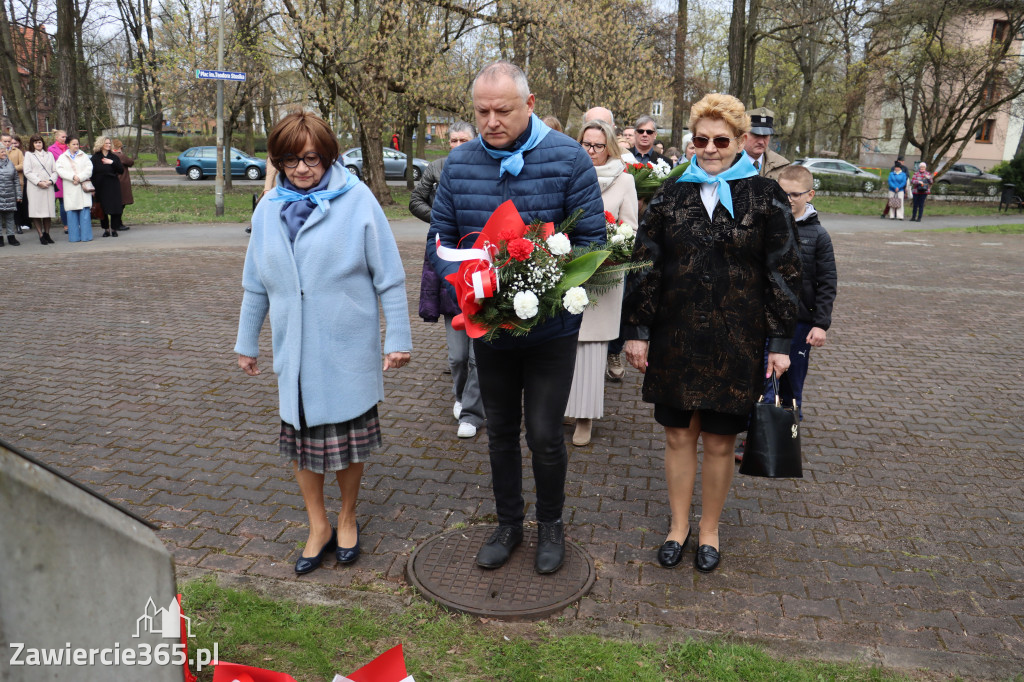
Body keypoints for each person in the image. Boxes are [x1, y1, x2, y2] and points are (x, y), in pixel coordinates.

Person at [427, 61, 605, 574]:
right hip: (490, 327)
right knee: (500, 429)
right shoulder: (458, 165)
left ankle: (552, 525)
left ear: (529, 105)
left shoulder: (569, 158)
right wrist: (473, 287)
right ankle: (509, 523)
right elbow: (441, 241)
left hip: (549, 329)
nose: (491, 121)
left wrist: (539, 292)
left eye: (502, 110)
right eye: (481, 111)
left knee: (545, 433)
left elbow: (591, 243)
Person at [622, 93, 801, 573]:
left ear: (742, 141)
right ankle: (678, 527)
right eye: (701, 139)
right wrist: (637, 330)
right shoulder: (671, 193)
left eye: (721, 140)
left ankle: (709, 530)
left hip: (736, 340)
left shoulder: (765, 196)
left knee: (720, 441)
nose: (710, 149)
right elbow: (646, 265)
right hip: (675, 337)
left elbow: (783, 270)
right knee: (678, 436)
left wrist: (781, 342)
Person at [235, 111, 412, 575]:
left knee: (347, 446)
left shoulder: (357, 200)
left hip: (346, 347)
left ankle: (347, 515)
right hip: (294, 353)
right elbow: (256, 283)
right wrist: (246, 341)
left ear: (328, 154)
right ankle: (318, 525)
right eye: (289, 160)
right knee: (302, 447)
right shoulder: (268, 207)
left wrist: (397, 336)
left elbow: (389, 277)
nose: (301, 169)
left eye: (310, 158)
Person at [411, 121, 485, 439]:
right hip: (446, 260)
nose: (457, 144)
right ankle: (460, 395)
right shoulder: (436, 167)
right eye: (452, 140)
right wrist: (442, 220)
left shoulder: (486, 169)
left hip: (480, 264)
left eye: (463, 139)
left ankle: (471, 411)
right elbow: (416, 201)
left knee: (476, 353)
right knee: (457, 355)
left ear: (475, 141)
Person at [567, 119, 638, 446]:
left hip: (604, 277)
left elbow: (631, 229)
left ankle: (585, 418)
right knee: (565, 345)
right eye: (586, 144)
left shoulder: (624, 181)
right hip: (568, 272)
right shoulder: (569, 173)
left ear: (609, 146)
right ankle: (564, 408)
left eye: (597, 145)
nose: (591, 151)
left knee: (593, 348)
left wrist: (611, 245)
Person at [767, 164, 837, 419]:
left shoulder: (819, 236)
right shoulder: (769, 226)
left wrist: (820, 324)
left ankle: (788, 435)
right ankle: (758, 437)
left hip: (800, 323)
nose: (789, 199)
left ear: (810, 195)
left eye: (795, 194)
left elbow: (827, 283)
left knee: (791, 382)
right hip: (768, 318)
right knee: (766, 380)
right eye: (783, 193)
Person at [55, 137, 94, 243]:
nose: (76, 146)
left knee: (84, 212)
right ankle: (74, 237)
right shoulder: (62, 157)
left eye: (77, 144)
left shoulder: (84, 156)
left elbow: (89, 169)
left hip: (82, 188)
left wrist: (79, 177)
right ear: (68, 145)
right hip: (70, 187)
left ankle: (86, 236)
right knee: (72, 213)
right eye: (74, 144)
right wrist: (72, 177)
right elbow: (59, 170)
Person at [23, 134, 58, 245]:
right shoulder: (29, 155)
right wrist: (38, 182)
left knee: (48, 211)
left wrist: (50, 181)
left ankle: (47, 233)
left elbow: (55, 171)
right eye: (36, 142)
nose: (38, 144)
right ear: (32, 144)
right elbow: (27, 171)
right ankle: (41, 235)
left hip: (48, 185)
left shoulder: (49, 154)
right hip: (35, 187)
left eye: (40, 142)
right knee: (36, 211)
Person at [91, 137, 125, 238]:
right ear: (101, 144)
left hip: (113, 185)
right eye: (106, 143)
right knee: (103, 209)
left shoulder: (114, 157)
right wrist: (93, 187)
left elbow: (121, 170)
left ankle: (114, 229)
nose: (109, 145)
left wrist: (112, 163)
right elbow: (91, 173)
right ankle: (106, 229)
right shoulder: (95, 158)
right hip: (100, 186)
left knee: (115, 208)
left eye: (109, 143)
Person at [744, 107, 789, 180]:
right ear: (744, 134)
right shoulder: (729, 163)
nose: (761, 142)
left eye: (765, 136)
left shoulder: (782, 166)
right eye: (756, 135)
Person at [3, 133, 27, 234]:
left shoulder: (17, 152)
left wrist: (11, 169)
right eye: (5, 141)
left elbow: (23, 165)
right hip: (3, 184)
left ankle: (18, 225)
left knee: (17, 206)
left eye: (9, 141)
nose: (7, 143)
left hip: (16, 182)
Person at [0, 145, 22, 246]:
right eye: (1, 151)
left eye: (4, 151)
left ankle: (11, 237)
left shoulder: (10, 164)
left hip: (10, 194)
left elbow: (16, 180)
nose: (3, 153)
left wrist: (19, 195)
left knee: (10, 217)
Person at [48, 130, 69, 235]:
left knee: (65, 203)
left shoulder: (69, 148)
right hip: (57, 179)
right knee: (56, 202)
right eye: (62, 137)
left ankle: (67, 224)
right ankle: (48, 223)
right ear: (56, 137)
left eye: (65, 137)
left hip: (68, 178)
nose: (64, 139)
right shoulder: (51, 149)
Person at [111, 139, 134, 229]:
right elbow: (131, 162)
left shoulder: (109, 156)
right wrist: (121, 153)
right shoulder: (120, 156)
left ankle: (117, 223)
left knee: (117, 204)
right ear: (119, 147)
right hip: (122, 182)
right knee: (121, 204)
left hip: (113, 182)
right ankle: (118, 224)